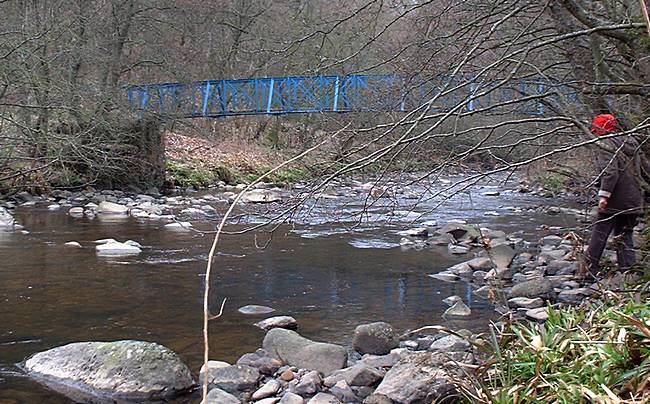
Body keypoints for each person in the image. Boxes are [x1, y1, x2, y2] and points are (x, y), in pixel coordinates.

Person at [584, 113, 649, 276]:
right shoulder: (632, 142)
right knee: (624, 234)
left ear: (601, 129)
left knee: (599, 235)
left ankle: (588, 272)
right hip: (634, 200)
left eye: (596, 128)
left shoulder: (606, 144)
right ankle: (628, 272)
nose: (594, 131)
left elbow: (610, 173)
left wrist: (604, 196)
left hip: (614, 201)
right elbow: (646, 170)